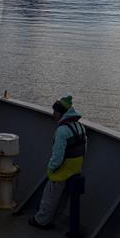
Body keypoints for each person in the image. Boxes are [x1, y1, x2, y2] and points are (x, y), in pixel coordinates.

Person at [27, 95, 87, 229]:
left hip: (62, 171)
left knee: (50, 198)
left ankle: (41, 221)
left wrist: (51, 168)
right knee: (62, 199)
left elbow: (58, 155)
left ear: (61, 113)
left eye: (55, 112)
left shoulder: (61, 131)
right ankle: (53, 220)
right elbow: (85, 148)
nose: (53, 114)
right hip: (75, 169)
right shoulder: (80, 127)